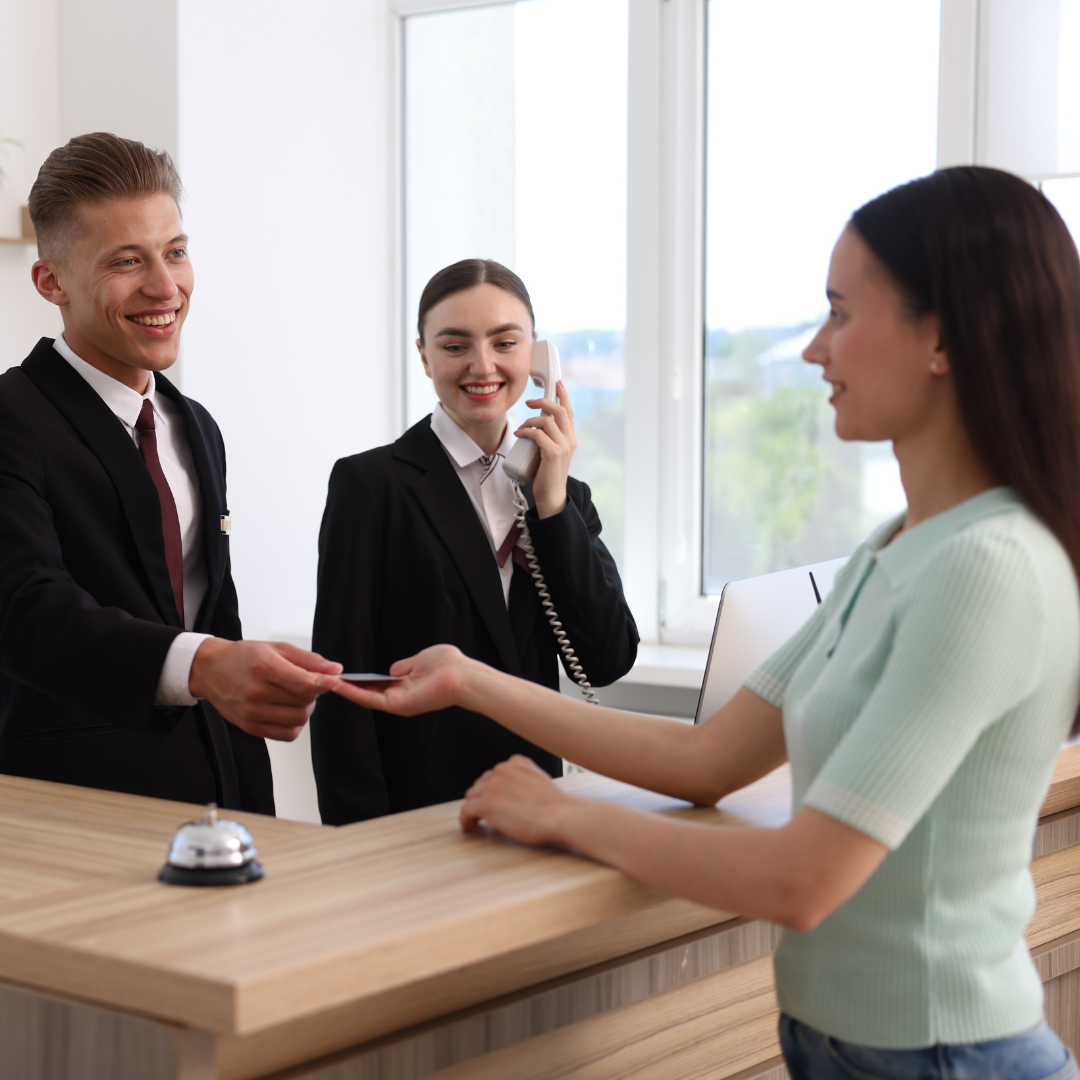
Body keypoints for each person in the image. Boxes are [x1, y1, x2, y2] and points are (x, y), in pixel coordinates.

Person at [328, 168, 1080, 1079]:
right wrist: (470, 679)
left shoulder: (985, 567)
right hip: (850, 1048)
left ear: (943, 339)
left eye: (840, 313)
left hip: (944, 1055)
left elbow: (802, 879)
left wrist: (563, 813)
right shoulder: (895, 548)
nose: (813, 349)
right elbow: (707, 761)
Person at [0, 133, 341, 813]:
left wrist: (253, 810)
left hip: (216, 807)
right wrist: (207, 665)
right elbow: (24, 609)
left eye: (176, 252)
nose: (165, 286)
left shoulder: (195, 425)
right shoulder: (12, 416)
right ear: (51, 282)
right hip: (71, 808)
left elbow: (215, 615)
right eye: (127, 261)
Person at [310, 259, 638, 824]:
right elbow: (342, 687)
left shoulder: (562, 495)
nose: (482, 365)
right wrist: (357, 841)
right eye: (455, 345)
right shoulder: (370, 486)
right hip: (419, 815)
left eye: (505, 343)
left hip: (535, 807)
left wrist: (552, 505)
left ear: (535, 354)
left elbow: (606, 659)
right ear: (424, 356)